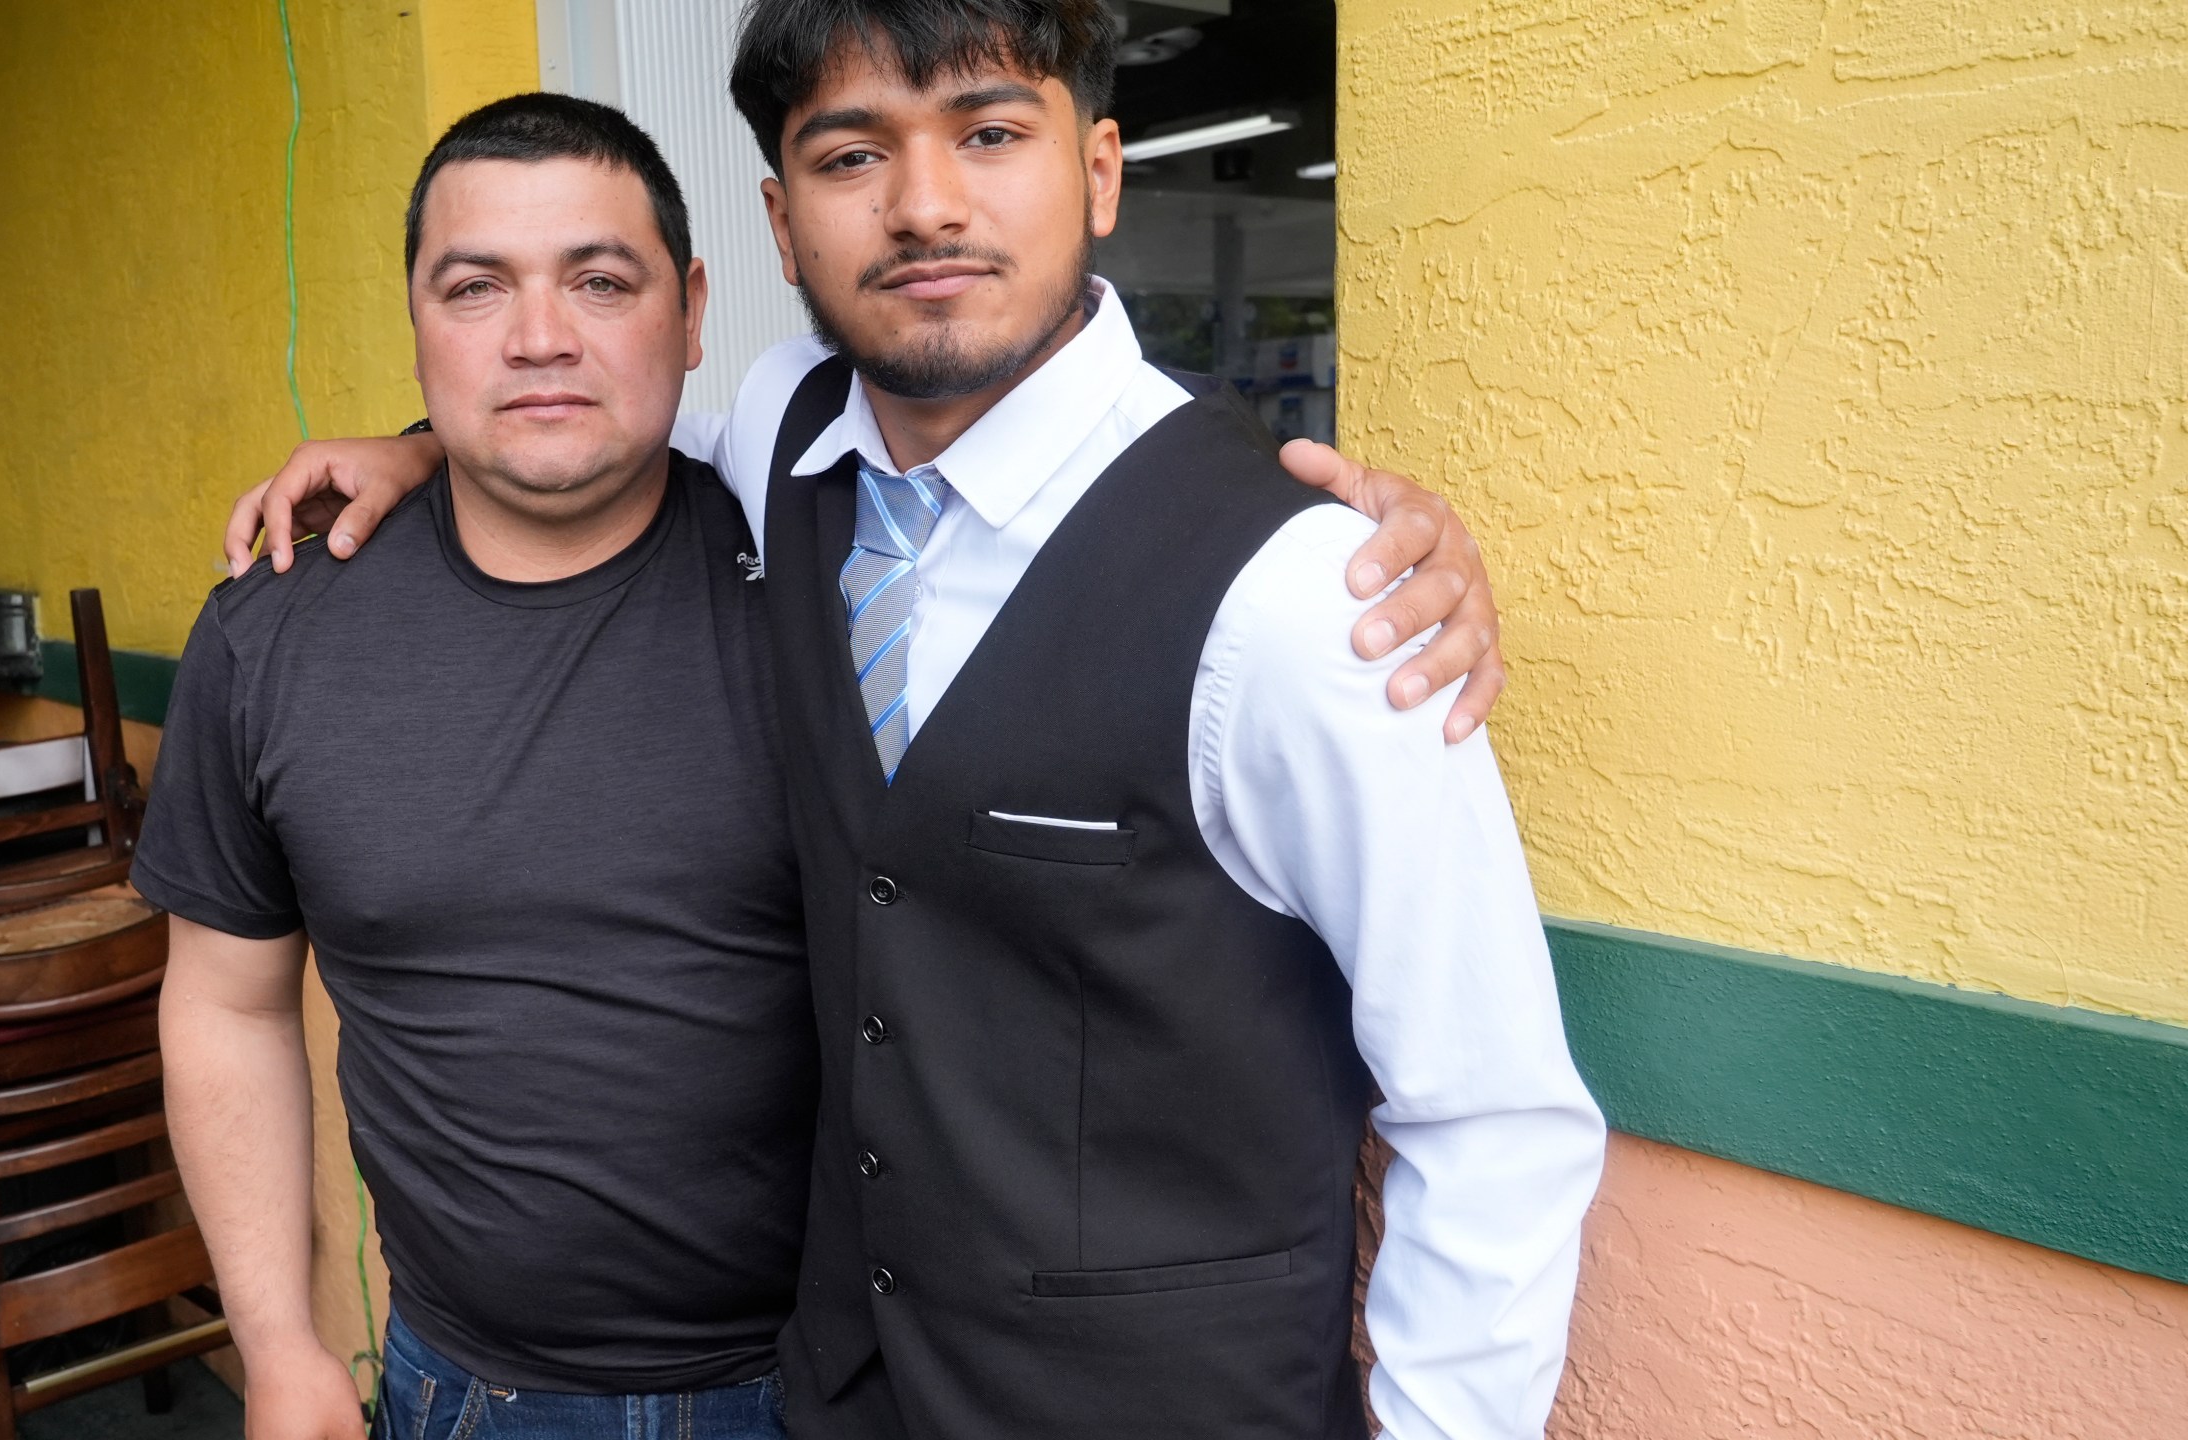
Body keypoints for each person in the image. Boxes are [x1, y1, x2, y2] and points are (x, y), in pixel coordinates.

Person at [221, 5, 1606, 1440]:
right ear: (779, 220)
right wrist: (412, 447)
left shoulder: (1310, 596)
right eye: (850, 154)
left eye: (993, 132)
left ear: (1103, 172)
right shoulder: (779, 438)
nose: (926, 204)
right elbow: (581, 430)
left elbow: (1490, 1116)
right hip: (844, 1393)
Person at [143, 98, 808, 1440]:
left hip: (832, 1379)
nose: (541, 336)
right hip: (473, 1396)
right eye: (475, 287)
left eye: (600, 281)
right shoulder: (274, 633)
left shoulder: (825, 574)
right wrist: (278, 1345)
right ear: (417, 320)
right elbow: (228, 1007)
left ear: (688, 311)